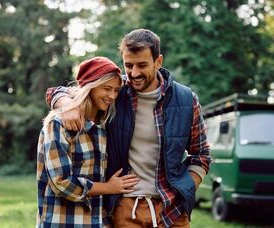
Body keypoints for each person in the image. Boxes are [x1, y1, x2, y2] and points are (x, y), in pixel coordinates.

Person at [46, 29, 211, 228]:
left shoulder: (186, 100)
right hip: (126, 207)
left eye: (142, 65)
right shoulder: (116, 92)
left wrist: (186, 187)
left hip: (172, 209)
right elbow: (59, 90)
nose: (134, 73)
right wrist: (65, 104)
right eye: (128, 65)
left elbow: (201, 154)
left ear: (158, 61)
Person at [37, 56, 140, 227]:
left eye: (116, 90)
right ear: (90, 87)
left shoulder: (105, 126)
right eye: (107, 88)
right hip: (63, 222)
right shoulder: (59, 123)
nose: (112, 96)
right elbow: (61, 183)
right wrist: (108, 187)